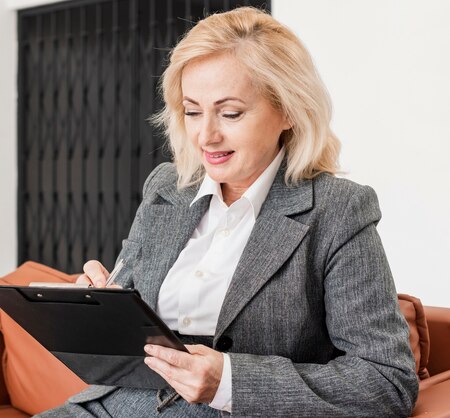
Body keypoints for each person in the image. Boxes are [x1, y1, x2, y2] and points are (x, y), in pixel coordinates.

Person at [37, 6, 418, 418]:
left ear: (288, 110)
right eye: (193, 111)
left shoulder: (337, 210)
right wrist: (100, 309)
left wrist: (231, 382)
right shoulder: (167, 188)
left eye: (231, 113)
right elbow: (132, 335)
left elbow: (386, 381)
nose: (206, 135)